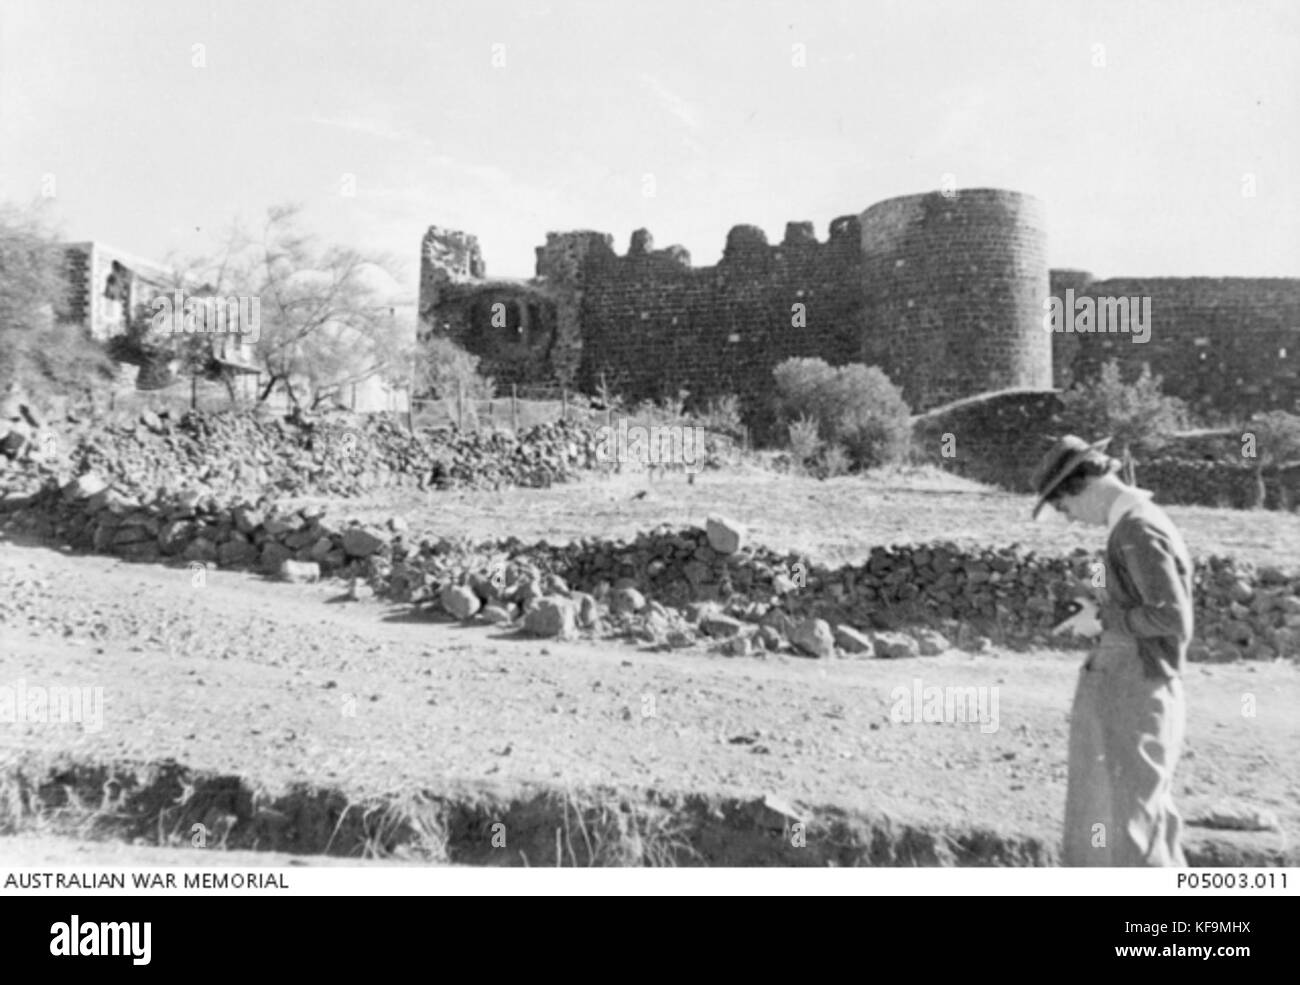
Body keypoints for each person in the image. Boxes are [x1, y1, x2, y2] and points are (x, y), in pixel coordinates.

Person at [1030, 435, 1194, 866]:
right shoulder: (1131, 526)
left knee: (1128, 827)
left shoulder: (1136, 530)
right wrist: (1100, 605)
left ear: (1080, 487)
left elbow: (1172, 619)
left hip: (1134, 688)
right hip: (1129, 685)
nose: (1072, 520)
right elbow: (1145, 606)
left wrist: (1102, 621)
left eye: (1064, 508)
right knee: (1121, 816)